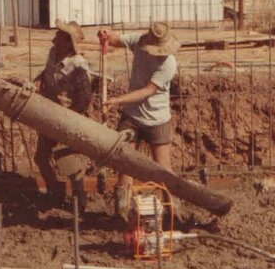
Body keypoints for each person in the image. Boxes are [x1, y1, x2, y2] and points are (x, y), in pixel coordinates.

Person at [98, 22, 180, 220]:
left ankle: (173, 210)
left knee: (163, 168)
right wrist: (107, 35)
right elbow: (118, 40)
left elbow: (147, 91)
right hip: (132, 116)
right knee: (126, 163)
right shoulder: (140, 41)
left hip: (157, 119)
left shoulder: (168, 64)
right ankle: (122, 210)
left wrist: (117, 100)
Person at [31, 22, 94, 211]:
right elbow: (47, 72)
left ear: (68, 42)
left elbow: (84, 98)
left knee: (71, 161)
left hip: (68, 115)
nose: (53, 38)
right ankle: (55, 191)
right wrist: (37, 81)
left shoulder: (78, 66)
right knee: (41, 157)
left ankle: (79, 200)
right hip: (49, 112)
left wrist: (69, 120)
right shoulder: (53, 52)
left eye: (58, 36)